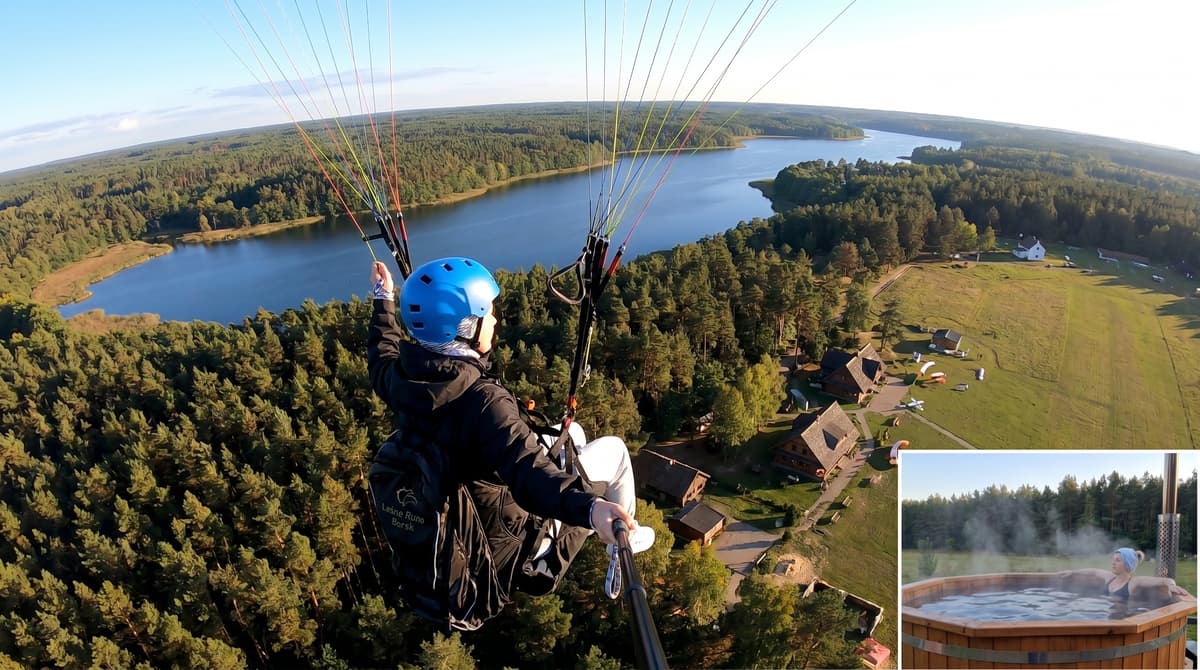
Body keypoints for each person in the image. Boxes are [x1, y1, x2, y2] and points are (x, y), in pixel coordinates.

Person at [366, 257, 644, 607]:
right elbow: (527, 472)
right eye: (487, 313)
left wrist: (383, 299)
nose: (495, 320)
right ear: (463, 327)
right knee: (615, 452)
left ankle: (594, 511)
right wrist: (592, 510)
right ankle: (623, 542)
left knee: (574, 436)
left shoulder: (402, 377)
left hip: (468, 520)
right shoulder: (482, 401)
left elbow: (381, 353)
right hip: (513, 545)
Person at [1056, 547, 1192, 603]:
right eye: (1113, 560)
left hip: (1125, 620)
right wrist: (1072, 572)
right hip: (1108, 617)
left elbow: (1165, 580)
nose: (1113, 563)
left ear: (1127, 564)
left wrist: (1172, 585)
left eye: (1118, 560)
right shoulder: (1110, 577)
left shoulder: (1133, 582)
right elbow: (1093, 571)